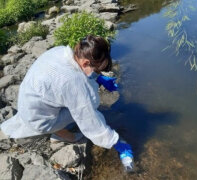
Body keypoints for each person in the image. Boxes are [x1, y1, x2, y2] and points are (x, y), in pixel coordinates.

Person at [0, 35, 133, 170]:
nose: (98, 73)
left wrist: (98, 78)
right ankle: (60, 135)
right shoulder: (72, 82)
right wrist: (116, 142)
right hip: (40, 120)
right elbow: (90, 121)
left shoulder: (61, 51)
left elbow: (69, 76)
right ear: (86, 63)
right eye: (97, 70)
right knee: (90, 104)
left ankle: (57, 130)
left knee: (82, 99)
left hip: (28, 104)